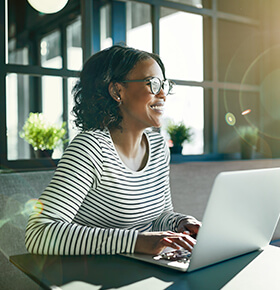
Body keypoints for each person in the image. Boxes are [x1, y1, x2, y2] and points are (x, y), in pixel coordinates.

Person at [25, 44, 201, 256]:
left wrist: (181, 223)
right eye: (153, 84)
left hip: (142, 269)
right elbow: (39, 232)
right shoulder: (89, 148)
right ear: (117, 91)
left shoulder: (158, 147)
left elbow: (158, 216)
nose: (163, 94)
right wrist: (136, 241)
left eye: (164, 84)